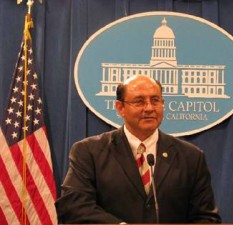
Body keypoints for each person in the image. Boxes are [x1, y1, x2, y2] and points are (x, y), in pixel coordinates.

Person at [55, 75, 222, 224]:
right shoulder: (89, 151)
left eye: (155, 100)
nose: (149, 108)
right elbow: (73, 206)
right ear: (120, 108)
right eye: (139, 101)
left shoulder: (191, 156)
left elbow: (206, 218)